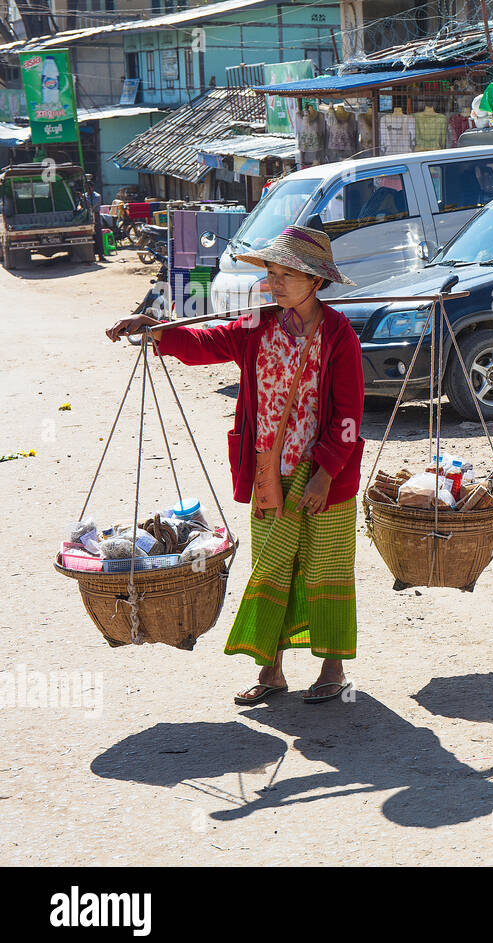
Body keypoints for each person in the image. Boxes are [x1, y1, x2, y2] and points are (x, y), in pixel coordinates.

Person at [106, 226, 364, 705]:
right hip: (270, 471)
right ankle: (272, 673)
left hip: (326, 475)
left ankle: (332, 669)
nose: (276, 282)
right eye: (272, 272)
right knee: (271, 567)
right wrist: (155, 329)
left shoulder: (339, 336)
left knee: (326, 567)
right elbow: (206, 342)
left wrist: (327, 472)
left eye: (288, 274)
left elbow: (349, 413)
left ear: (316, 282)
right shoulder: (258, 325)